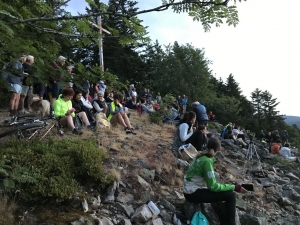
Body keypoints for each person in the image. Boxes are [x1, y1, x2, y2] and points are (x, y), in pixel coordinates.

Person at [183, 137, 247, 225]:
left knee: (224, 193)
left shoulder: (201, 156)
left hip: (189, 190)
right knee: (231, 195)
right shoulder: (207, 161)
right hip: (193, 193)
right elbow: (213, 186)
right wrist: (234, 187)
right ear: (219, 149)